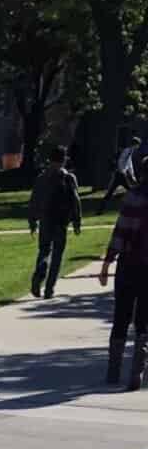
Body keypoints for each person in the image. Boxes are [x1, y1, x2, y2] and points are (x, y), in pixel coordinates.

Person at [100, 157, 148, 389]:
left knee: (122, 314)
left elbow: (121, 231)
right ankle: (137, 373)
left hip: (129, 264)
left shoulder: (134, 197)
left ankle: (113, 370)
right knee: (144, 321)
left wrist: (107, 262)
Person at [28, 145, 83, 301]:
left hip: (45, 219)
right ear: (64, 159)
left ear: (50, 159)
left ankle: (40, 271)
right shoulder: (69, 178)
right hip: (61, 221)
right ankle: (49, 289)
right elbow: (76, 201)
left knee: (44, 250)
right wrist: (77, 221)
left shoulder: (41, 178)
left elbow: (33, 201)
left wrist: (32, 221)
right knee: (57, 255)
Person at [102, 137, 141, 209]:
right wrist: (122, 170)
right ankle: (135, 205)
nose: (138, 147)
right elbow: (121, 160)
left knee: (110, 192)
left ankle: (101, 209)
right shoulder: (127, 151)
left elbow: (129, 164)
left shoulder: (130, 151)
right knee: (131, 190)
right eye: (138, 145)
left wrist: (132, 175)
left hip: (120, 174)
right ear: (135, 144)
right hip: (121, 174)